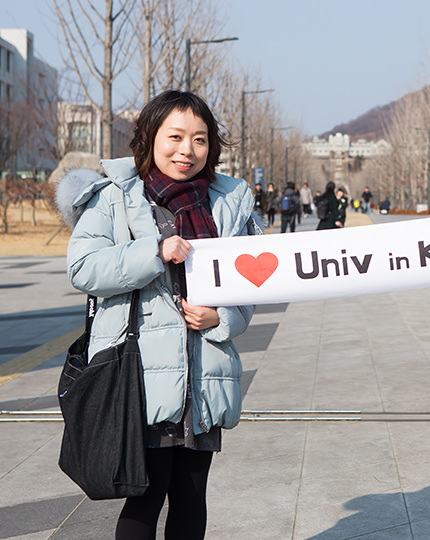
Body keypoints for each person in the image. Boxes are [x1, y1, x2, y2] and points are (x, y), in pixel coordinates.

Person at [59, 90, 257, 540]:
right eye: (176, 137)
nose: (187, 150)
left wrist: (222, 319)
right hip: (139, 378)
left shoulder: (227, 203)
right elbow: (83, 268)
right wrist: (153, 251)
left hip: (204, 378)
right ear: (150, 138)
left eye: (200, 140)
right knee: (145, 496)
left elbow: (247, 286)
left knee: (191, 496)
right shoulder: (113, 197)